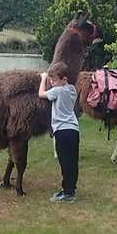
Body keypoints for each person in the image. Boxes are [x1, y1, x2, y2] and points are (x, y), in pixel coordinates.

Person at [39, 61, 80, 202]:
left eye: (54, 79)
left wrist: (43, 78)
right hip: (74, 130)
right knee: (72, 161)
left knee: (64, 162)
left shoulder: (57, 91)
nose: (52, 82)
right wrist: (53, 80)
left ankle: (67, 194)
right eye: (50, 79)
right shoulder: (72, 89)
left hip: (62, 131)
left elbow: (41, 94)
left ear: (64, 79)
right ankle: (70, 190)